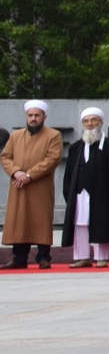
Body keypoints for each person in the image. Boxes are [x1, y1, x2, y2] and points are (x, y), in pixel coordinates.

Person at [2, 101, 62, 270]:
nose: (33, 119)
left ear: (44, 116)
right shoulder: (15, 136)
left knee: (41, 220)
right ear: (26, 117)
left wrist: (29, 175)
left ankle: (43, 257)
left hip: (40, 186)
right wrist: (16, 172)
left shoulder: (53, 135)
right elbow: (6, 157)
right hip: (18, 185)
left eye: (37, 115)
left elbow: (52, 159)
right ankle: (19, 258)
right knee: (20, 221)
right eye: (30, 115)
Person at [61, 107, 109, 268]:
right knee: (80, 224)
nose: (90, 124)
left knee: (100, 222)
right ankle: (83, 256)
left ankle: (101, 257)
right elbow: (69, 173)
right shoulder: (75, 147)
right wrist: (69, 193)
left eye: (94, 120)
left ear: (101, 122)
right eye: (86, 121)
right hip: (79, 193)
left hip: (100, 193)